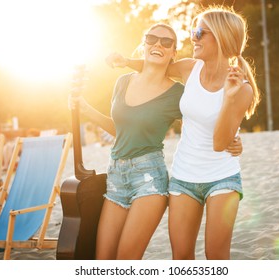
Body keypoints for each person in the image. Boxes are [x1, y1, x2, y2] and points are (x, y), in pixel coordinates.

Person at [70, 23, 245, 260]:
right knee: (103, 260)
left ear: (174, 52)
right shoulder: (122, 82)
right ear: (144, 44)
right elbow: (120, 130)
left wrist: (235, 138)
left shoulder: (178, 93)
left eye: (166, 42)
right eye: (152, 39)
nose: (158, 44)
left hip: (149, 178)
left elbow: (204, 115)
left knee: (125, 260)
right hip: (116, 176)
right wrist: (86, 109)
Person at [107, 5, 260, 260]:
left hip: (222, 177)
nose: (193, 37)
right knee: (181, 257)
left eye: (200, 32)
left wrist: (229, 99)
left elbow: (220, 143)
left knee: (215, 256)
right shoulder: (190, 68)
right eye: (193, 31)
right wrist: (125, 62)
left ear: (221, 37)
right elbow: (158, 65)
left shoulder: (241, 89)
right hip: (182, 177)